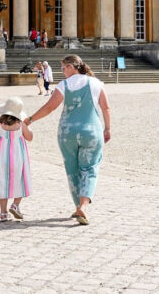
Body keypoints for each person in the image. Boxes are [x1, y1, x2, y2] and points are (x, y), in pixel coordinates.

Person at [25, 55, 111, 225]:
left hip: (67, 133)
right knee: (90, 169)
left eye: (64, 68)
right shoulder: (96, 83)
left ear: (72, 67)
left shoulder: (64, 85)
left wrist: (29, 120)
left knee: (72, 170)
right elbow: (106, 108)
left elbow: (49, 107)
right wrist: (107, 128)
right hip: (91, 131)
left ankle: (78, 206)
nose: (62, 71)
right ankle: (83, 207)